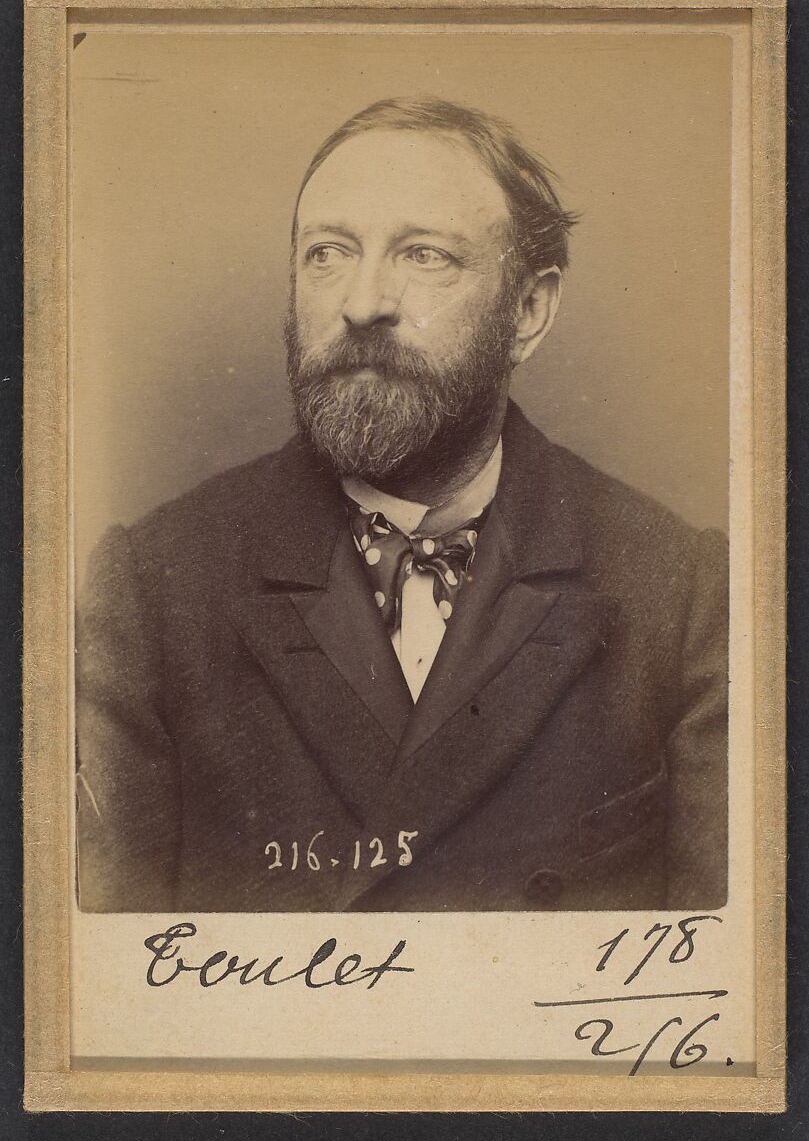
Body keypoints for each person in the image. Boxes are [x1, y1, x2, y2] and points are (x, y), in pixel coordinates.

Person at [76, 97, 728, 913]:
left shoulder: (685, 594)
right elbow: (101, 991)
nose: (360, 302)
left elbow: (723, 990)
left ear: (529, 311)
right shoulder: (148, 588)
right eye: (327, 253)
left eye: (423, 256)